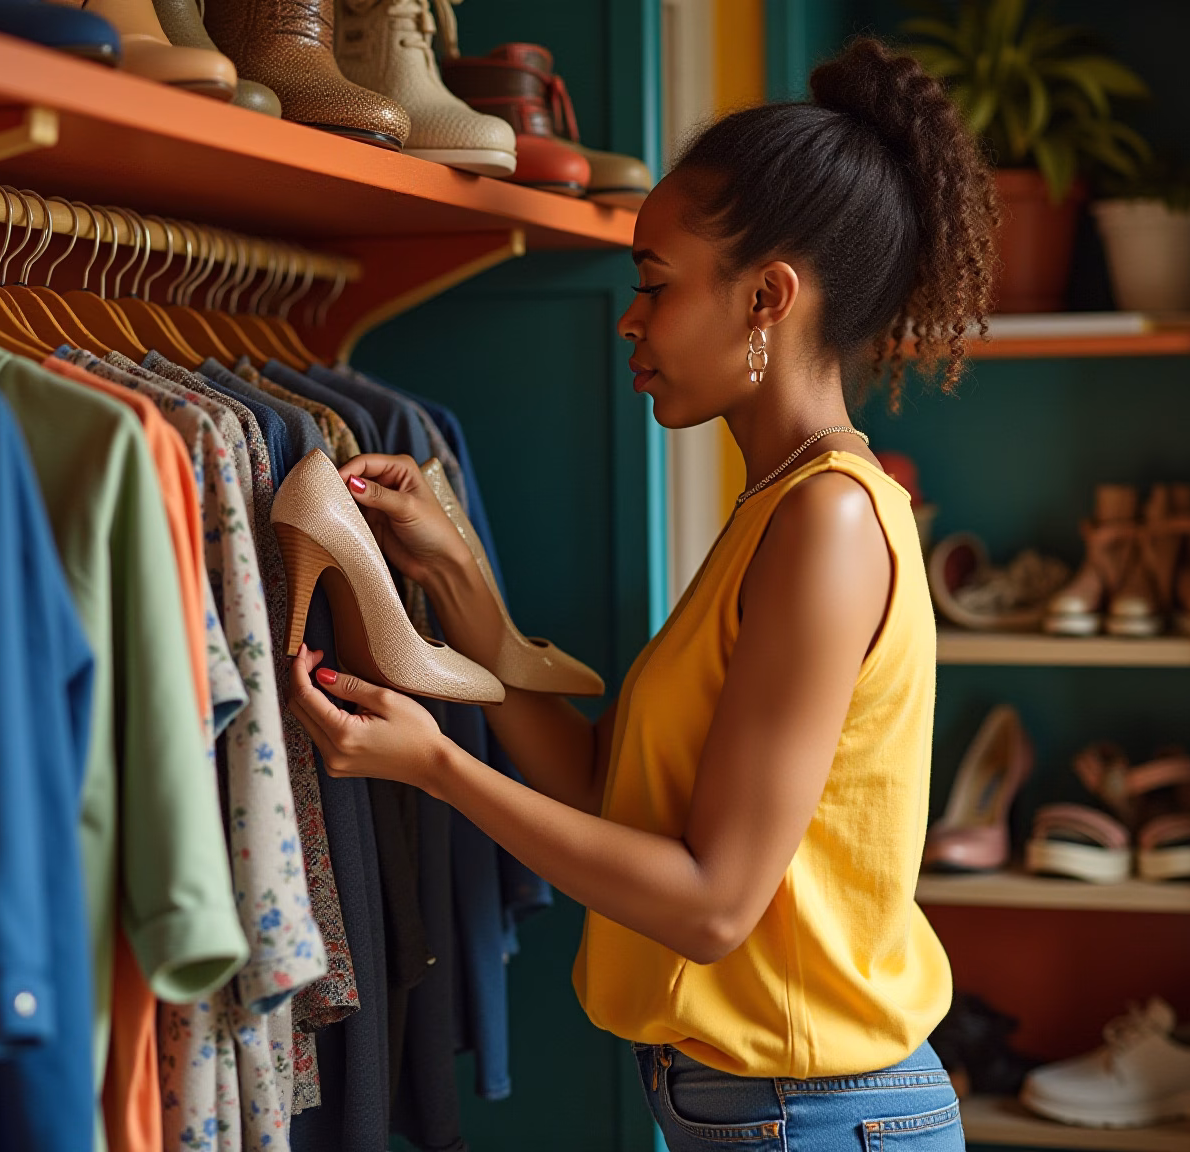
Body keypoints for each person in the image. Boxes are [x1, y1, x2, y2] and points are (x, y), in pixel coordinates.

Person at [283, 36, 996, 1150]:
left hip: (812, 1122)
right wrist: (455, 572)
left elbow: (712, 906)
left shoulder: (828, 522)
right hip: (756, 1115)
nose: (628, 319)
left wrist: (437, 766)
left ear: (766, 298)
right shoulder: (779, 507)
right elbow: (604, 786)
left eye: (653, 285)